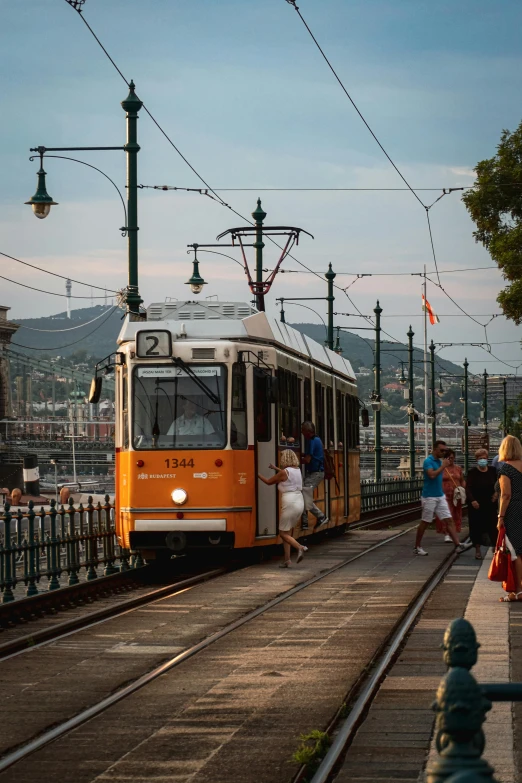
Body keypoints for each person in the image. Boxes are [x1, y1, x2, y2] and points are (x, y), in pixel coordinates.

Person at [414, 439, 465, 556]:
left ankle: (458, 544)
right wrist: (443, 467)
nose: (444, 453)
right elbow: (431, 475)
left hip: (440, 495)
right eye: (442, 450)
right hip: (429, 496)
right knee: (425, 521)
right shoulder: (428, 461)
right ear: (435, 449)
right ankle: (417, 546)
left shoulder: (440, 461)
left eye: (445, 450)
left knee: (449, 519)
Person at [258, 449, 306, 568]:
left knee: (283, 533)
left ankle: (300, 547)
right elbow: (287, 476)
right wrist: (275, 468)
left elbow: (269, 482)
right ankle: (287, 560)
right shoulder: (297, 470)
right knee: (287, 531)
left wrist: (257, 473)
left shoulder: (284, 472)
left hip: (290, 502)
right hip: (299, 501)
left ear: (285, 458)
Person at [497, 435, 522, 601]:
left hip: (513, 511)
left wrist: (501, 516)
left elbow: (505, 495)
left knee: (515, 551)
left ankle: (518, 591)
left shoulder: (505, 469)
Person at [466, 449, 498, 560]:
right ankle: (477, 549)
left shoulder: (493, 471)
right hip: (476, 504)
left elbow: (499, 484)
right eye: (480, 458)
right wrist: (472, 500)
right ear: (476, 460)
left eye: (484, 458)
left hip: (490, 503)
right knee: (476, 527)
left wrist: (496, 494)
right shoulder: (472, 472)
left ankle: (495, 548)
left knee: (493, 526)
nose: (483, 460)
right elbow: (468, 488)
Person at [301, 421, 328, 532]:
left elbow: (308, 459)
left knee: (304, 495)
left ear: (308, 431)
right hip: (316, 472)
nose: (302, 433)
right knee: (302, 495)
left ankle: (321, 517)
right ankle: (304, 523)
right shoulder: (317, 439)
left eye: (303, 430)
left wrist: (294, 462)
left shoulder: (311, 441)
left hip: (315, 473)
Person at [435, 449, 465, 543]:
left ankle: (454, 533)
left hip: (456, 495)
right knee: (447, 514)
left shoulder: (458, 468)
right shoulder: (441, 468)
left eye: (452, 458)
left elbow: (462, 480)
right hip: (444, 495)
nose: (451, 460)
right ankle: (446, 533)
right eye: (448, 458)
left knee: (456, 513)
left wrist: (463, 489)